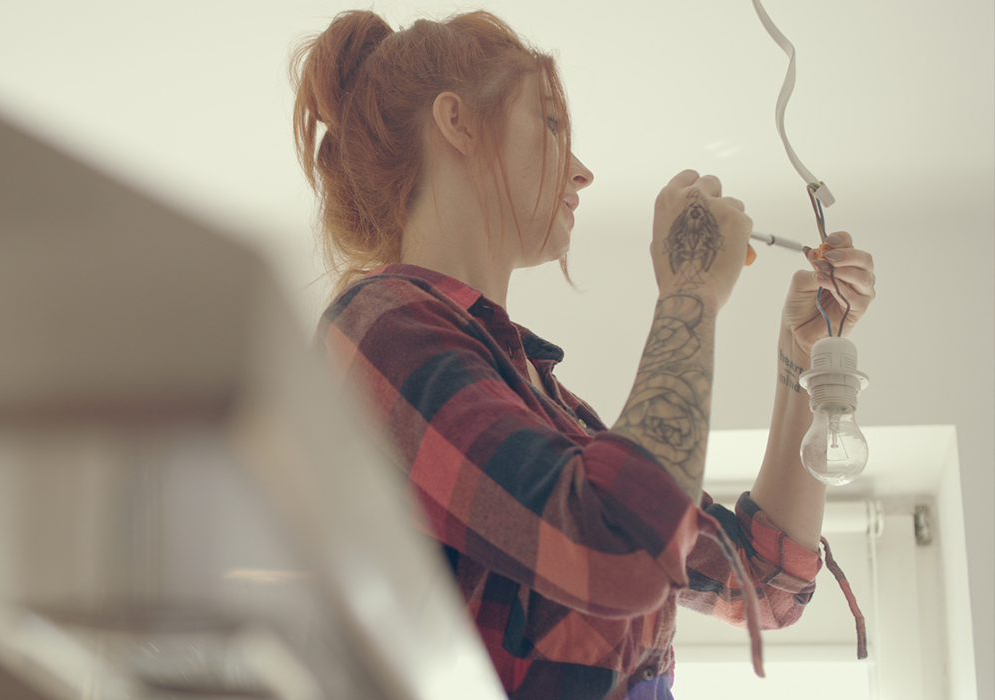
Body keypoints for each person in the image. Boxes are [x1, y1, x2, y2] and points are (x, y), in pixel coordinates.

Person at [291, 9, 876, 700]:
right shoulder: (380, 325)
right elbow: (618, 550)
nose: (584, 172)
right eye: (551, 122)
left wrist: (801, 357)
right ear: (457, 123)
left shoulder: (550, 409)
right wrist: (689, 290)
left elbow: (765, 584)